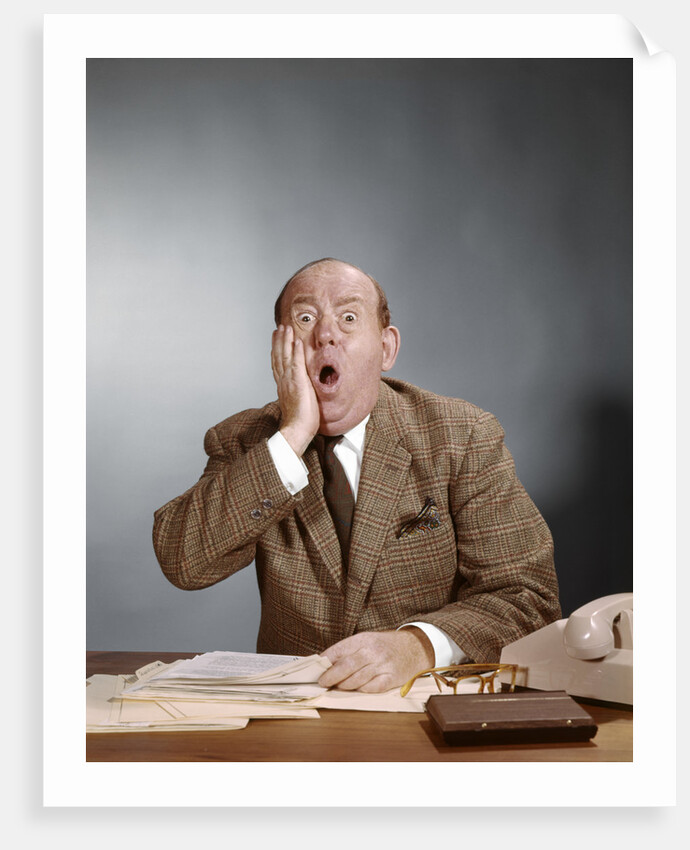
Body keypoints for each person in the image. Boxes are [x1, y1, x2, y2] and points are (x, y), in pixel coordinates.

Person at [153, 258, 560, 693]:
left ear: (387, 347)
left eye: (348, 318)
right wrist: (291, 436)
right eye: (305, 318)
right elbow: (183, 562)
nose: (325, 333)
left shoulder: (462, 437)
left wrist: (417, 647)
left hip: (424, 703)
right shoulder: (245, 440)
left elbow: (528, 597)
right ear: (279, 348)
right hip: (293, 715)